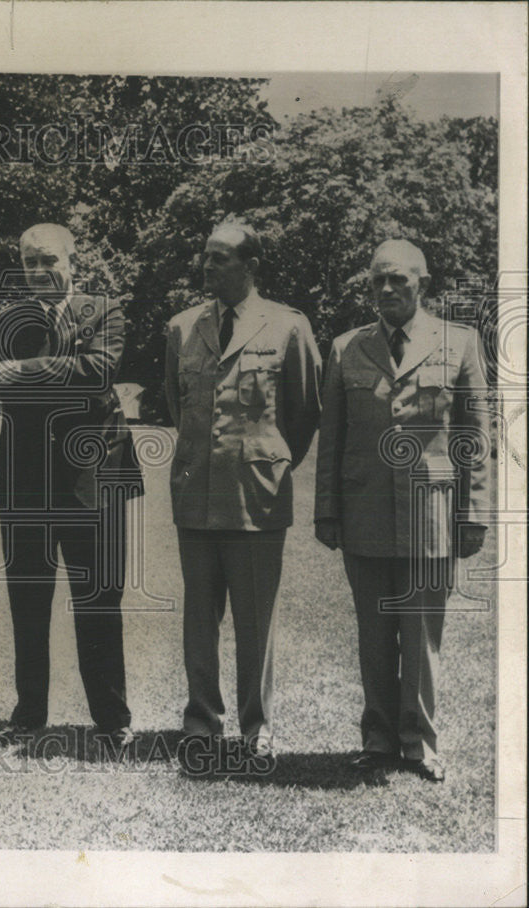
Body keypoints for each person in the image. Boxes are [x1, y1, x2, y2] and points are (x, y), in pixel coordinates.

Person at [314, 239, 490, 783]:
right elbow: (332, 440)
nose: (386, 290)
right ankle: (378, 738)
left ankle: (420, 744)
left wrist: (475, 511)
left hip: (429, 514)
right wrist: (327, 511)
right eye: (377, 281)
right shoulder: (346, 348)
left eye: (399, 280)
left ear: (423, 282)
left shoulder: (458, 342)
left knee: (420, 634)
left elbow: (473, 438)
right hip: (364, 509)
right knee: (373, 634)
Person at [164, 220, 322, 770]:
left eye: (221, 259)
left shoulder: (288, 327)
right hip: (196, 495)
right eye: (205, 256)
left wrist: (267, 461)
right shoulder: (182, 328)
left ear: (251, 266)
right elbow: (176, 407)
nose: (207, 267)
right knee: (198, 621)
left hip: (256, 499)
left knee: (257, 620)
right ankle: (201, 723)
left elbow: (302, 415)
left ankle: (257, 727)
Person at [0, 223, 143, 755]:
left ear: (74, 261)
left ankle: (112, 720)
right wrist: (56, 377)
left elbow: (97, 372)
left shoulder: (103, 309)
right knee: (27, 604)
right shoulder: (8, 317)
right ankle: (29, 714)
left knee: (99, 603)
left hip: (92, 482)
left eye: (49, 260)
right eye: (29, 262)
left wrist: (27, 372)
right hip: (25, 483)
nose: (39, 271)